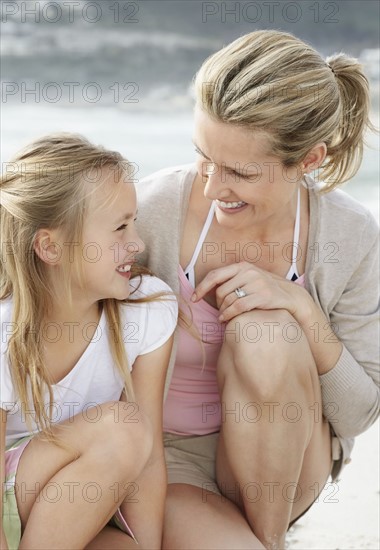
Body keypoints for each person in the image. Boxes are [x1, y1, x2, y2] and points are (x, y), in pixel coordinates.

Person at [135, 30, 379, 549]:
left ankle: (271, 537)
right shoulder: (153, 209)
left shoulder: (349, 235)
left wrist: (302, 310)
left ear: (309, 161)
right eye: (203, 156)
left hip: (290, 464)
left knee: (266, 331)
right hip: (170, 461)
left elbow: (359, 413)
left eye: (239, 172)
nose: (211, 186)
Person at [0, 134, 178, 550]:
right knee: (123, 429)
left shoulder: (146, 310)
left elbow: (148, 462)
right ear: (50, 246)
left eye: (133, 222)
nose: (137, 244)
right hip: (11, 501)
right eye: (119, 228)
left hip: (78, 508)